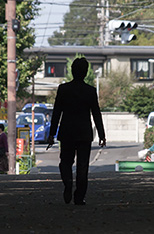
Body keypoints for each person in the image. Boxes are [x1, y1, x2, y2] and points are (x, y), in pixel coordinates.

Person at [47, 57, 106, 205]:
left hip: (67, 132)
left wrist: (51, 134)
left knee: (65, 162)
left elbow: (56, 113)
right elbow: (96, 114)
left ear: (72, 71)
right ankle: (79, 197)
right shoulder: (90, 91)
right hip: (84, 134)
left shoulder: (63, 89)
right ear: (85, 73)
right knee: (83, 166)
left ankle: (67, 182)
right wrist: (101, 135)